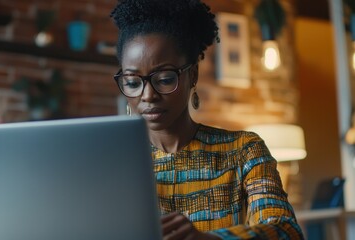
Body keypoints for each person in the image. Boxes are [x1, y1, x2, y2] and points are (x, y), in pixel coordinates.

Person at [110, 0, 304, 239]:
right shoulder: (115, 166)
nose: (147, 95)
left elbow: (286, 230)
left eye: (164, 79)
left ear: (192, 75)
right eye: (132, 83)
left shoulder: (243, 151)